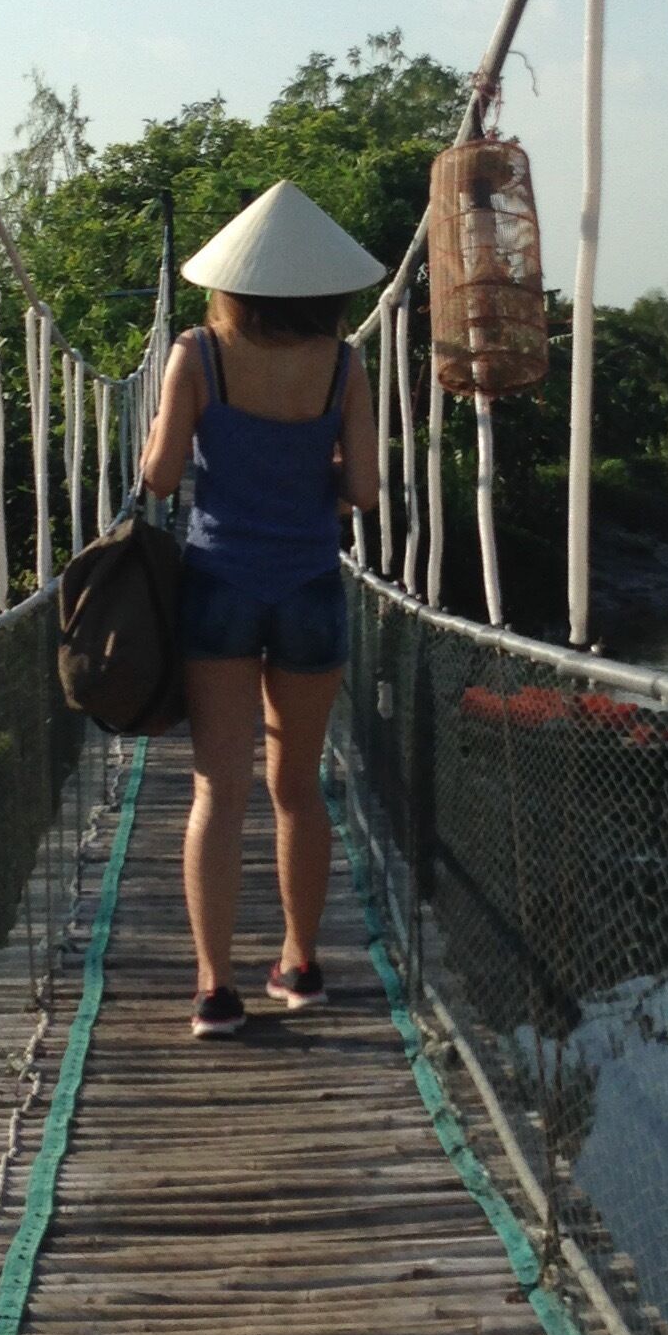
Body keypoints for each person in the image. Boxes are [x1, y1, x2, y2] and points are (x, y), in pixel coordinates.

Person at [140, 182, 383, 1038]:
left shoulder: (197, 355)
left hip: (219, 588)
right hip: (311, 588)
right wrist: (307, 485)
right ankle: (301, 964)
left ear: (232, 280)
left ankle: (215, 988)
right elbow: (361, 488)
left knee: (218, 789)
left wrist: (162, 441)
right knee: (298, 789)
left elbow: (163, 479)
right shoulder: (346, 364)